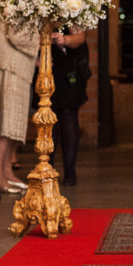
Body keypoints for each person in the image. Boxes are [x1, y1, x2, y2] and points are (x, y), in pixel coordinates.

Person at [0, 12, 38, 193]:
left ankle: (6, 170)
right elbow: (16, 33)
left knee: (14, 122)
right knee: (3, 122)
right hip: (7, 62)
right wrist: (42, 39)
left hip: (21, 64)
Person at [46, 28, 89, 186]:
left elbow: (80, 37)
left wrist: (63, 39)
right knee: (48, 120)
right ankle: (47, 169)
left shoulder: (73, 7)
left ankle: (69, 172)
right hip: (47, 64)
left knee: (68, 116)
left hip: (70, 67)